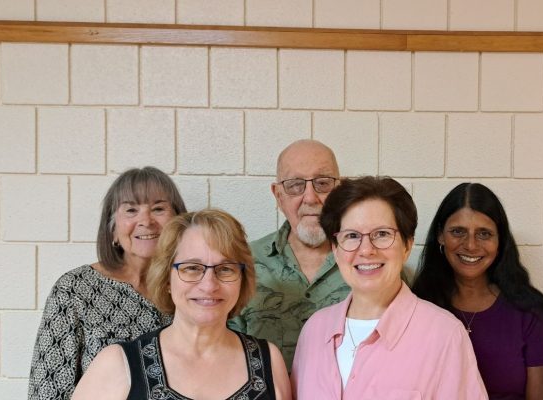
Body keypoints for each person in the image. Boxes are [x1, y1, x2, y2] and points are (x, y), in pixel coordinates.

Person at [291, 176, 488, 399]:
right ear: (336, 249)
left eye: (382, 234)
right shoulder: (315, 330)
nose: (366, 250)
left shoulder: (444, 335)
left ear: (407, 245)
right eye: (352, 236)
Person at [72, 209, 291, 399]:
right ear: (167, 278)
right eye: (192, 268)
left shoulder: (268, 361)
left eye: (225, 269)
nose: (209, 285)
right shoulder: (118, 364)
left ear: (242, 279)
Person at [28, 167, 187, 400]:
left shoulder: (193, 286)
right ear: (112, 229)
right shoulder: (75, 289)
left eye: (159, 208)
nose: (146, 221)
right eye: (131, 210)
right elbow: (48, 391)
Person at [412, 182, 543, 400]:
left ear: (500, 241)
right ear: (441, 235)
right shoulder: (417, 308)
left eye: (484, 234)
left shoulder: (528, 313)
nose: (470, 245)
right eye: (458, 231)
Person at [229, 139, 350, 369]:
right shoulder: (243, 263)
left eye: (323, 183)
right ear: (278, 195)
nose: (311, 197)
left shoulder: (366, 263)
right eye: (295, 185)